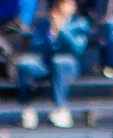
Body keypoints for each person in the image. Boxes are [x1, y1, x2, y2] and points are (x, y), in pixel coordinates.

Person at [15, 0, 89, 129]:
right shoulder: (44, 23)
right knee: (24, 64)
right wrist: (52, 32)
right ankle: (27, 108)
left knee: (60, 61)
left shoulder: (80, 24)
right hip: (46, 62)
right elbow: (35, 46)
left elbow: (77, 48)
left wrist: (62, 30)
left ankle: (61, 108)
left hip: (68, 64)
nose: (62, 7)